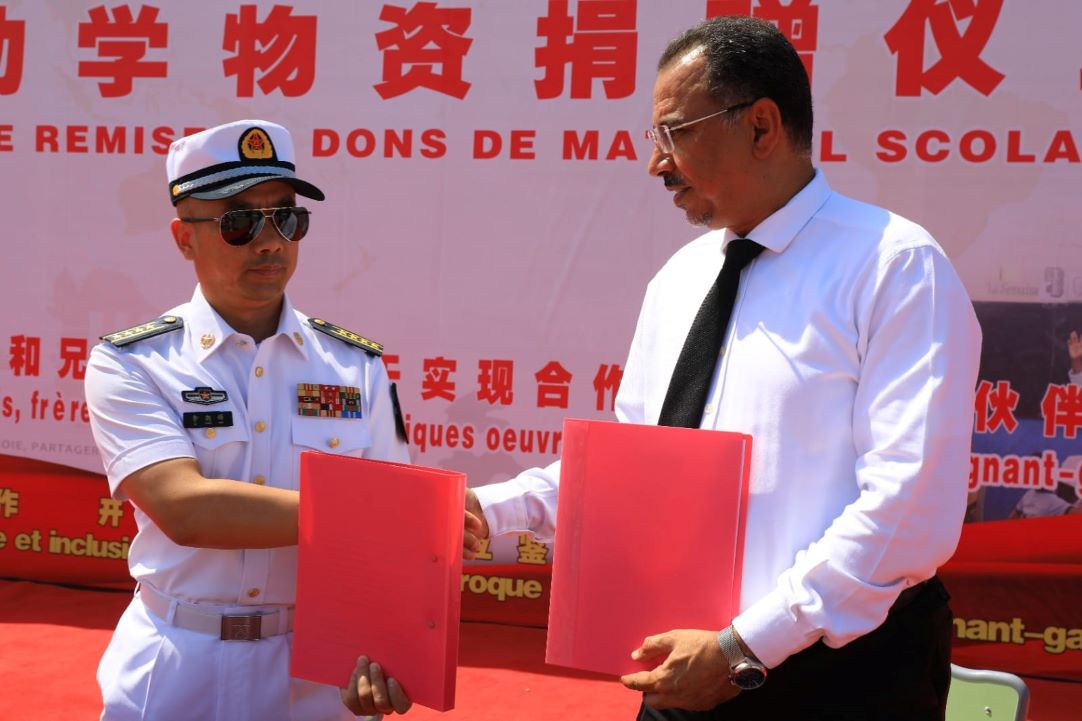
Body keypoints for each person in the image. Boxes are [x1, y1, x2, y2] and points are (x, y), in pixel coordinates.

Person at [464, 17, 981, 720]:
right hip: (686, 668)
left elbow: (907, 509)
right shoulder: (681, 280)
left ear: (762, 127)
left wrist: (747, 643)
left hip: (840, 676)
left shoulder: (893, 266)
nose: (656, 163)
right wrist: (487, 513)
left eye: (675, 132)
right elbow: (630, 474)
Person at [85, 119, 413, 721]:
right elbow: (187, 509)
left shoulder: (353, 366)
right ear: (185, 239)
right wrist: (379, 513)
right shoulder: (134, 363)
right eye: (239, 222)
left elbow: (392, 544)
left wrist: (387, 646)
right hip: (179, 660)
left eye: (287, 218)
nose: (270, 242)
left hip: (318, 670)